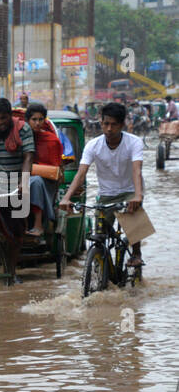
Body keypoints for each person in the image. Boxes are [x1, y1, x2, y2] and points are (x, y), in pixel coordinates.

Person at [59, 101, 146, 270]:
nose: (109, 129)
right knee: (100, 232)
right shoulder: (93, 145)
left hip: (130, 190)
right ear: (101, 123)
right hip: (106, 193)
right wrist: (66, 197)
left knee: (134, 219)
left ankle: (136, 254)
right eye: (106, 124)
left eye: (114, 125)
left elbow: (137, 170)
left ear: (122, 125)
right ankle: (101, 263)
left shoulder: (134, 142)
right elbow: (81, 173)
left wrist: (138, 195)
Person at [0, 97, 37, 281]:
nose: (0, 123)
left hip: (16, 183)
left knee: (16, 231)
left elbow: (28, 157)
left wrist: (24, 182)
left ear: (9, 116)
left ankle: (11, 271)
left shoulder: (24, 129)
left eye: (3, 118)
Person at [25, 102, 64, 234]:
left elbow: (55, 169)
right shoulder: (22, 138)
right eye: (34, 119)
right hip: (24, 178)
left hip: (47, 182)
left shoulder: (52, 140)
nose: (37, 123)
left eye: (40, 119)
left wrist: (34, 170)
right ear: (28, 121)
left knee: (36, 182)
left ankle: (38, 225)